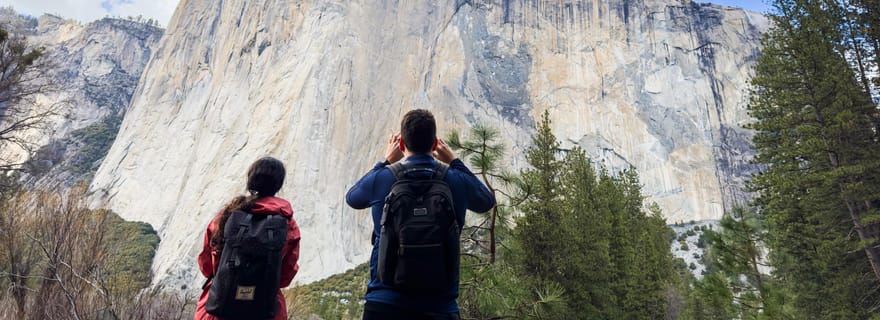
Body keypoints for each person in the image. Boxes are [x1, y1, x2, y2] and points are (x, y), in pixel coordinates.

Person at [346, 109, 496, 320]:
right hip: (440, 305)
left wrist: (385, 161)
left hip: (386, 302)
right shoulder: (453, 179)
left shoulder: (383, 179)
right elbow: (485, 201)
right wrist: (455, 161)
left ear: (400, 145)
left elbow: (352, 198)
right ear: (435, 144)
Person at [194, 157, 301, 320]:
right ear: (278, 185)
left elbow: (206, 266)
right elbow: (285, 276)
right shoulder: (287, 225)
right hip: (263, 309)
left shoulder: (227, 215)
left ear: (250, 180)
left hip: (219, 306)